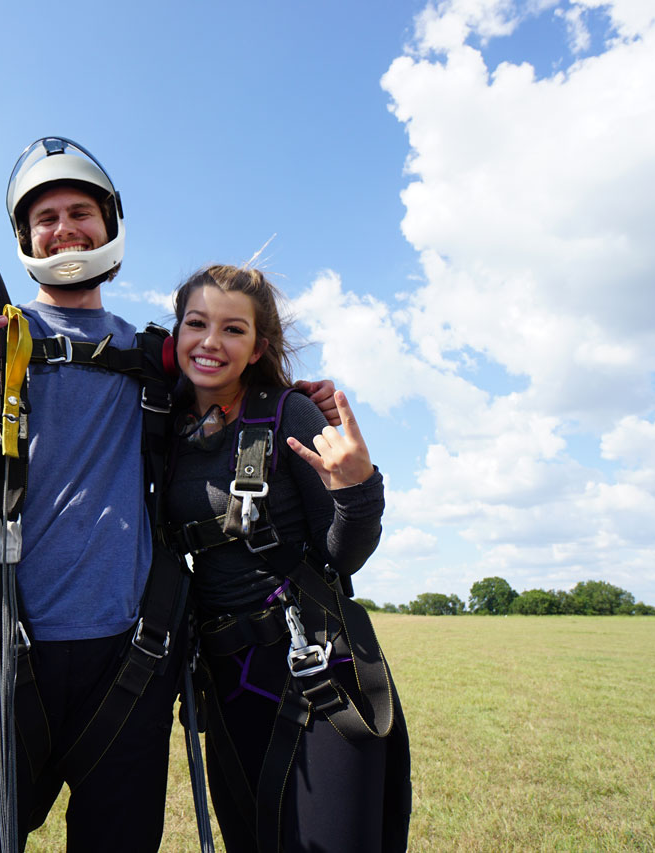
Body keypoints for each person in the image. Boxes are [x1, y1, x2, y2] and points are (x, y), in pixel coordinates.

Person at [0, 138, 340, 852]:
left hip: (131, 663)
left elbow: (236, 384)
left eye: (79, 211)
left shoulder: (160, 357)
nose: (64, 229)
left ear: (108, 222)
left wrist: (295, 396)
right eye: (45, 217)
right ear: (26, 238)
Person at [164, 265, 412, 852]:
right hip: (225, 680)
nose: (210, 342)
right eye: (196, 324)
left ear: (258, 348)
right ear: (175, 336)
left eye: (233, 329)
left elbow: (342, 554)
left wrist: (357, 491)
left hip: (314, 665)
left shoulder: (288, 415)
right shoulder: (158, 423)